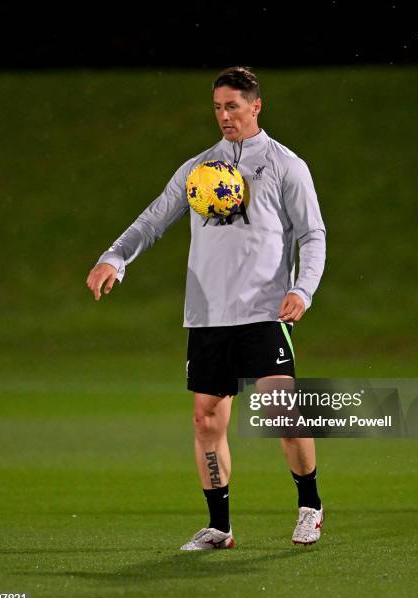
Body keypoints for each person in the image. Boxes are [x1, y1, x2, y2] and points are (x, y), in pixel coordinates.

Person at [86, 67, 326, 550]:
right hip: (209, 315)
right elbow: (153, 219)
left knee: (282, 411)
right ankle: (220, 527)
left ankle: (310, 507)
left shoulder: (284, 164)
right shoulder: (198, 168)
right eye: (217, 107)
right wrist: (114, 256)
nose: (224, 116)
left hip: (264, 310)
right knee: (206, 420)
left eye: (232, 106)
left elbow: (312, 234)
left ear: (256, 106)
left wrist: (302, 289)